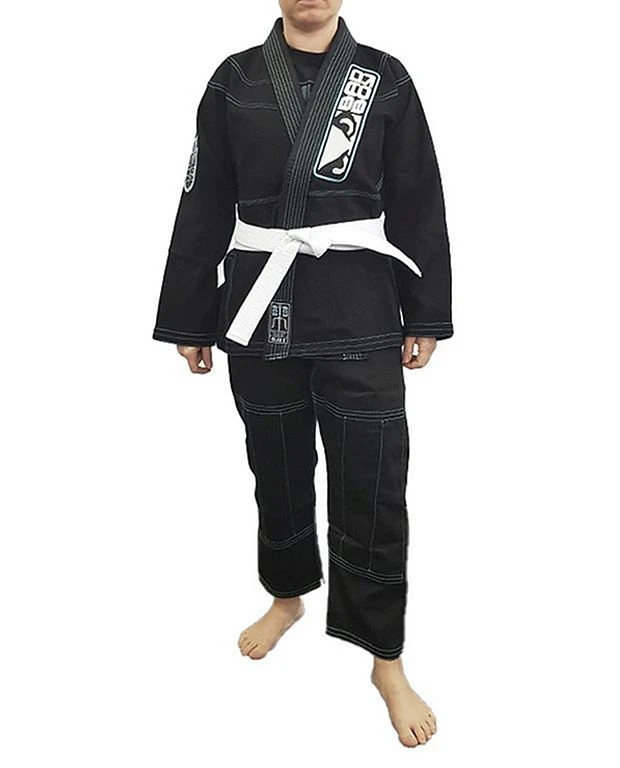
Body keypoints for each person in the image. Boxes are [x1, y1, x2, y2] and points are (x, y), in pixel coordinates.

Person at [152, 0, 452, 748]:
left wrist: (426, 311)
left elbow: (419, 198)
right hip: (262, 308)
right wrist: (190, 317)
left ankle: (385, 657)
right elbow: (202, 201)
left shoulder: (384, 78)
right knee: (276, 468)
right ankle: (287, 595)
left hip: (361, 310)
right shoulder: (235, 80)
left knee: (373, 484)